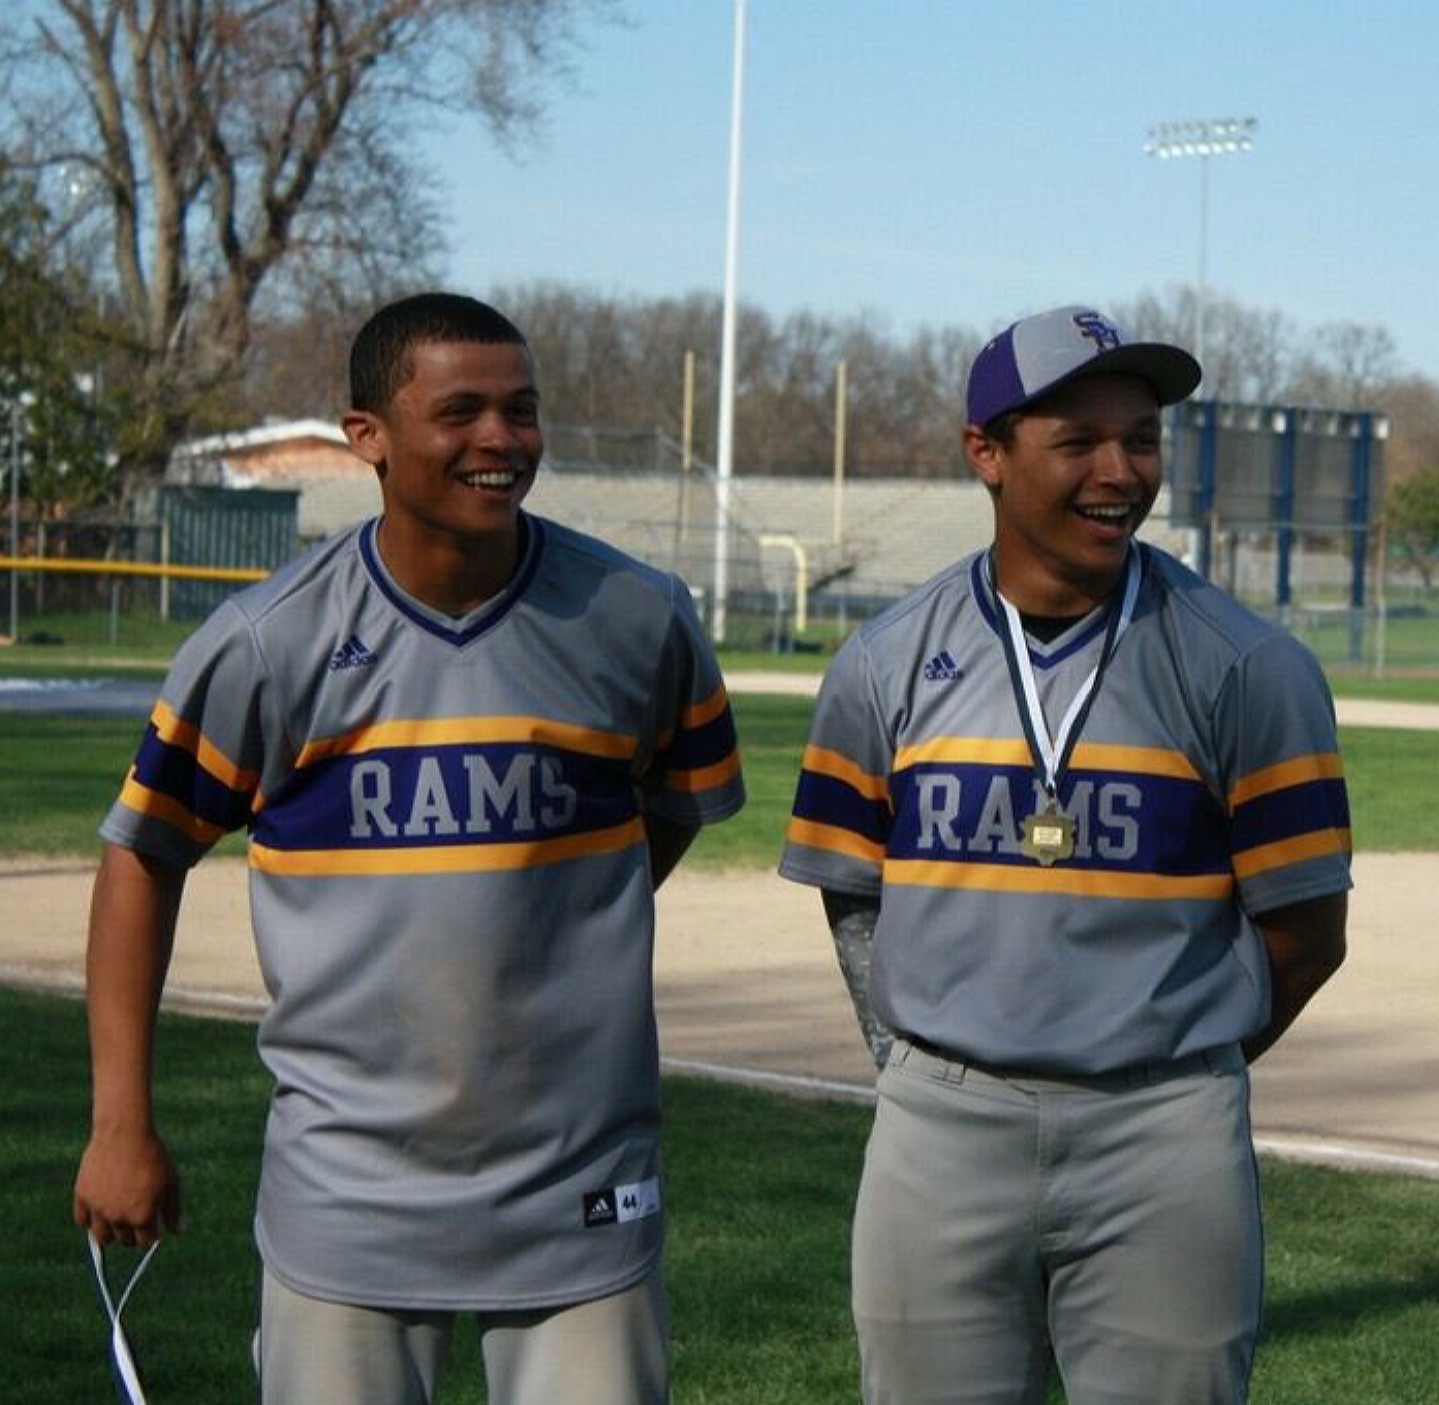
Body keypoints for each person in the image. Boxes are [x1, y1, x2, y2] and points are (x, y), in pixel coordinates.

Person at [73, 292, 745, 1404]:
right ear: (367, 437)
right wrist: (119, 1125)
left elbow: (666, 813)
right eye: (462, 411)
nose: (500, 440)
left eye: (521, 410)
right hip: (347, 1185)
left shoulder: (637, 615)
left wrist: (550, 913)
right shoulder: (266, 641)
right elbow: (142, 854)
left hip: (580, 1174)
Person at [779, 305, 1349, 1404]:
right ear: (984, 454)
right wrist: (917, 1068)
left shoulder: (1246, 666)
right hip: (939, 1121)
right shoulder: (886, 661)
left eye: (1139, 438)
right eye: (1077, 440)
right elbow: (853, 897)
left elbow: (1303, 930)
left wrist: (1164, 1060)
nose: (1118, 470)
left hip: (1163, 1130)